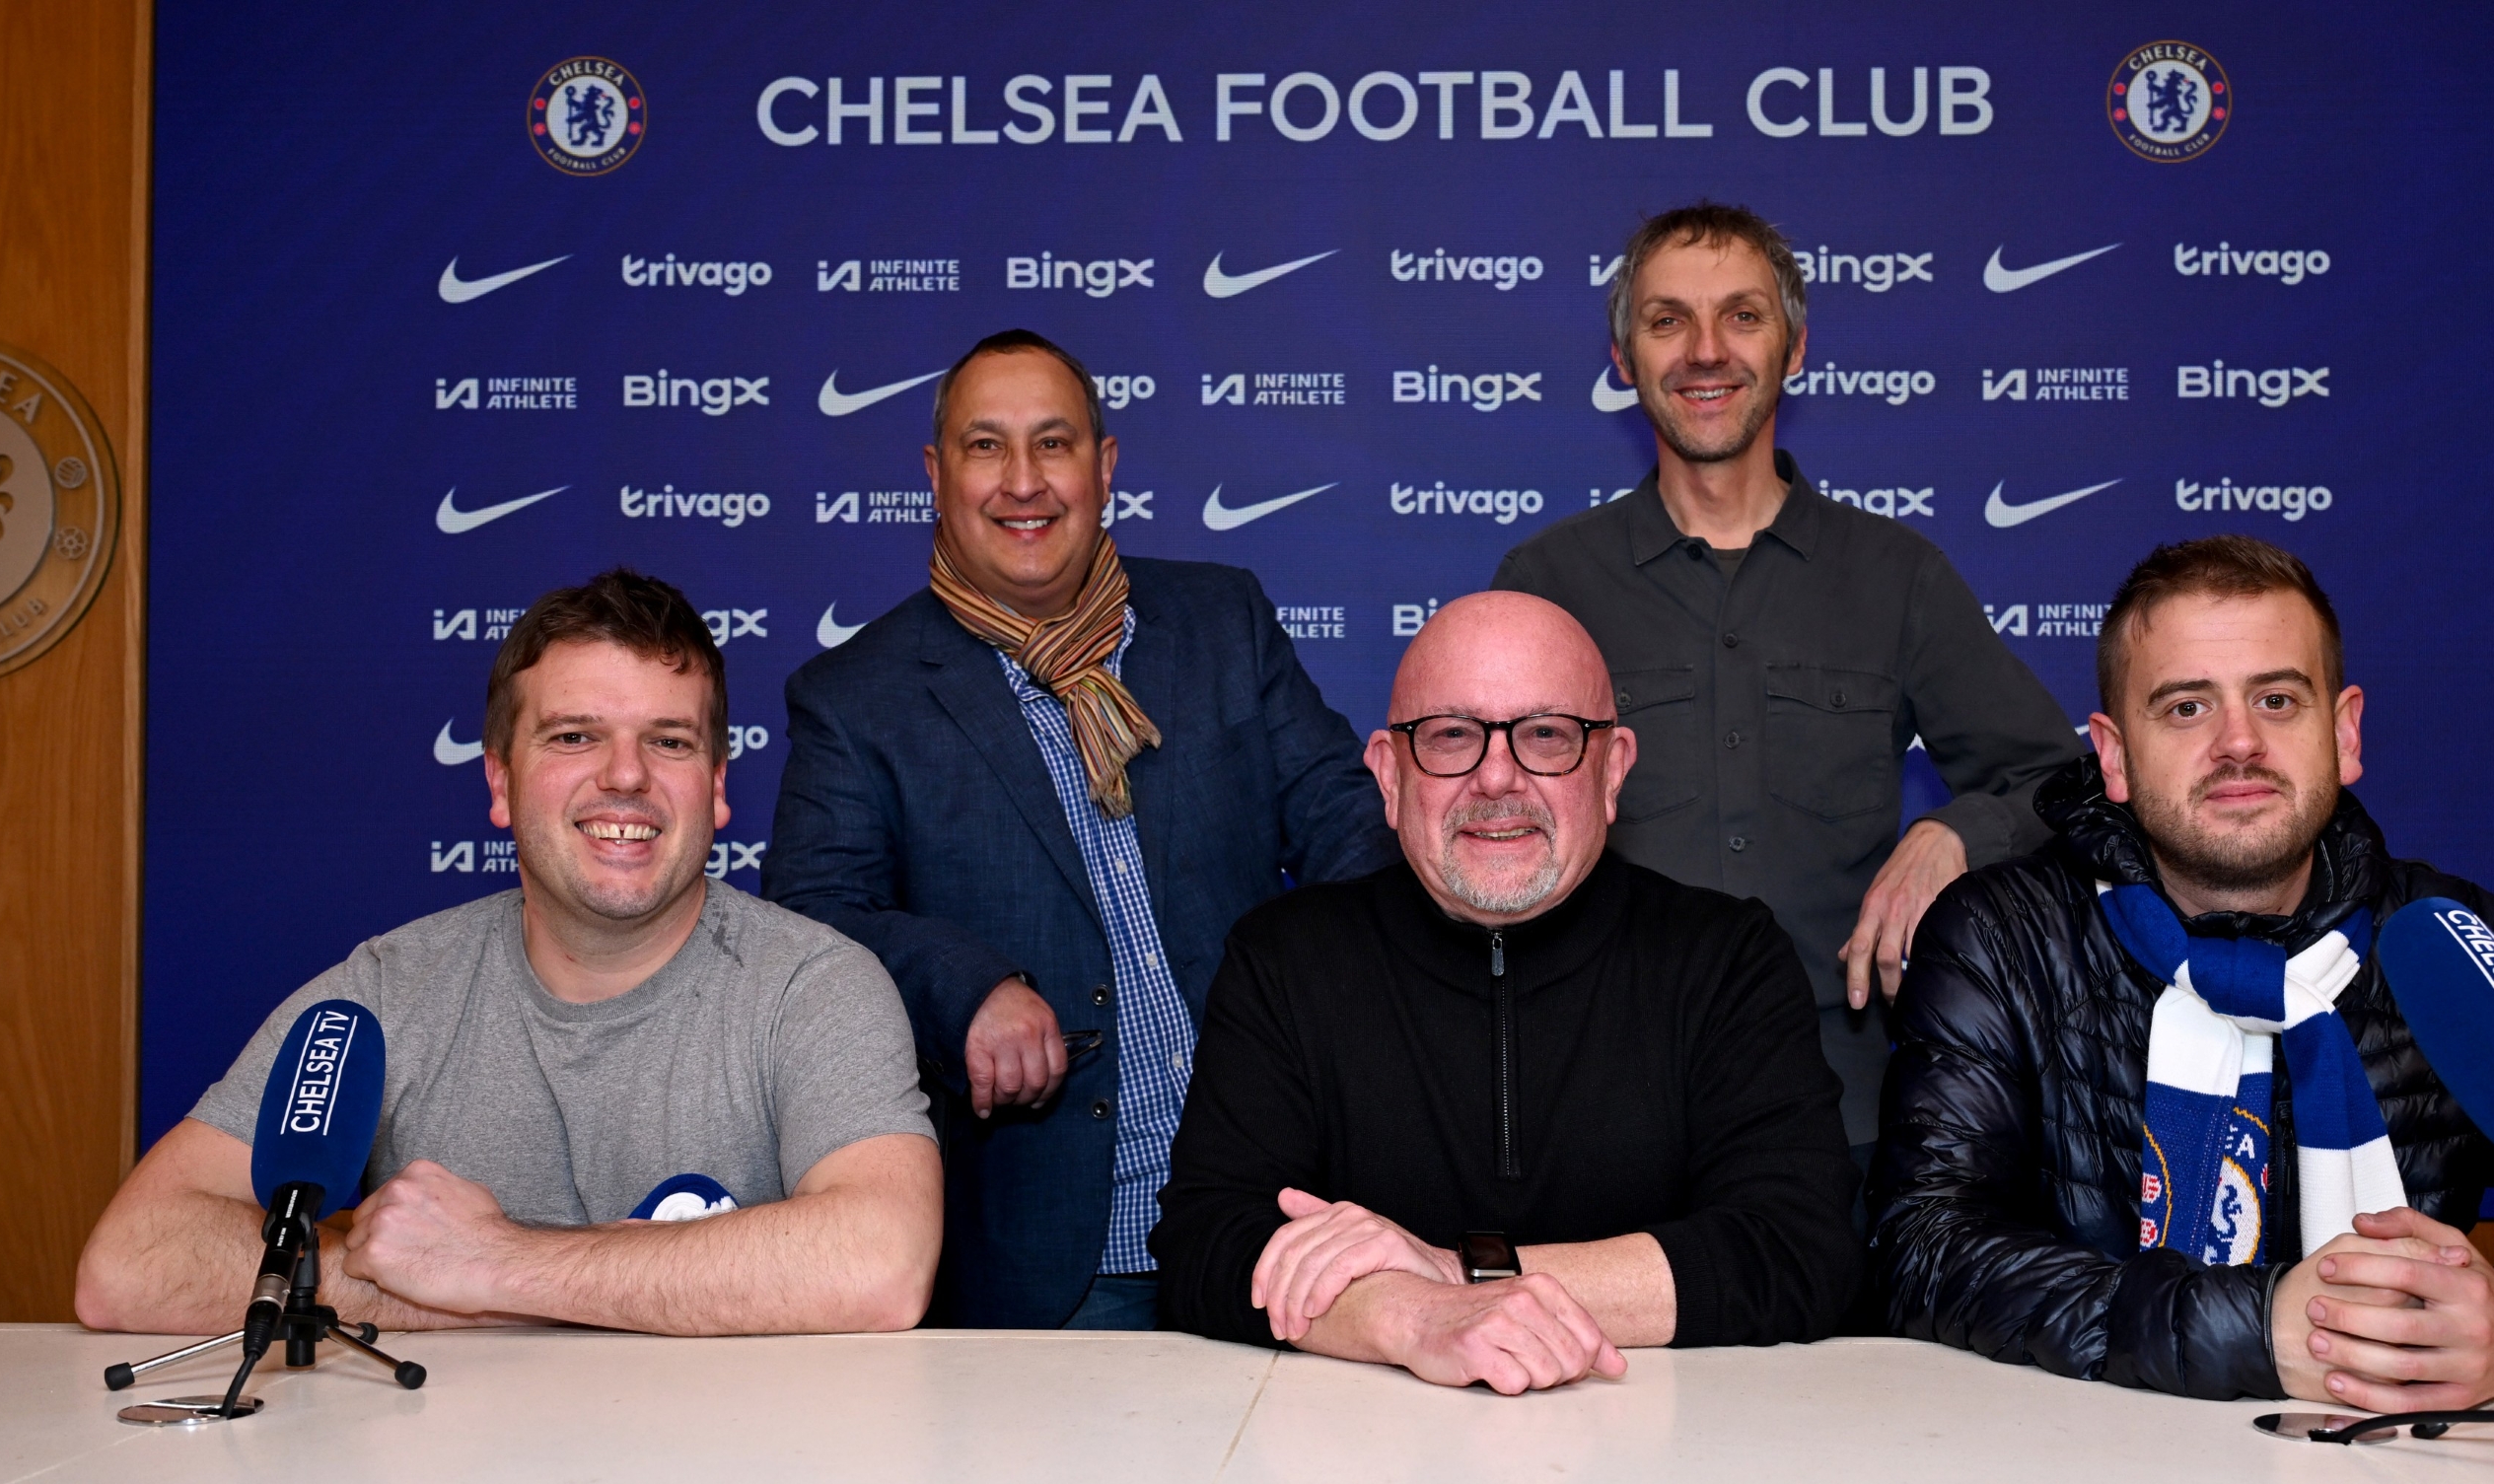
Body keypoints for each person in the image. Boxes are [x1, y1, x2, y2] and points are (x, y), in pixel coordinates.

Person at [1869, 535, 2494, 1406]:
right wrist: (2260, 1330)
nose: (2238, 742)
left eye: (2277, 700)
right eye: (2186, 707)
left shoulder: (2460, 943)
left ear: (2344, 733)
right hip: (2076, 1478)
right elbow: (1921, 1252)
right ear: (2113, 755)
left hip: (2392, 1480)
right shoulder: (2002, 939)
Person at [78, 571, 942, 1335]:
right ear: (500, 782)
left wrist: (493, 1266)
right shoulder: (387, 990)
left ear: (718, 788)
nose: (627, 776)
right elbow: (130, 1263)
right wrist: (415, 1283)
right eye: (574, 736)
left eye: (669, 741)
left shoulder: (813, 986)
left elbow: (881, 1264)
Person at [766, 329, 1394, 1331]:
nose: (1024, 482)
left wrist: (1332, 1017)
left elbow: (1349, 824)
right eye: (986, 446)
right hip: (1055, 1265)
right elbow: (808, 915)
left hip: (1284, 1225)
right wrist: (964, 982)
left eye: (1053, 443)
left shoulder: (1222, 619)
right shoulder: (857, 698)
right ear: (936, 475)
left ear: (1104, 467)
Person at [1151, 592, 1860, 1393]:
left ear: (1614, 769)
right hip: (1363, 1466)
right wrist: (1414, 1321)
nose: (1496, 778)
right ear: (1388, 775)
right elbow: (1209, 1247)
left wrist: (1455, 1276)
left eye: (1546, 736)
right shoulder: (1285, 958)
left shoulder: (1725, 957)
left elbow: (1796, 1251)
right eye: (1451, 735)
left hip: (1670, 1460)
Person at [1494, 200, 2085, 1154]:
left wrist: (1952, 831)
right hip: (1600, 1117)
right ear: (1623, 361)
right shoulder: (1547, 585)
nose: (1705, 351)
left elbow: (2067, 784)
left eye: (1742, 315)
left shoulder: (1899, 578)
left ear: (1795, 348)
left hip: (1845, 1124)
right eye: (1667, 320)